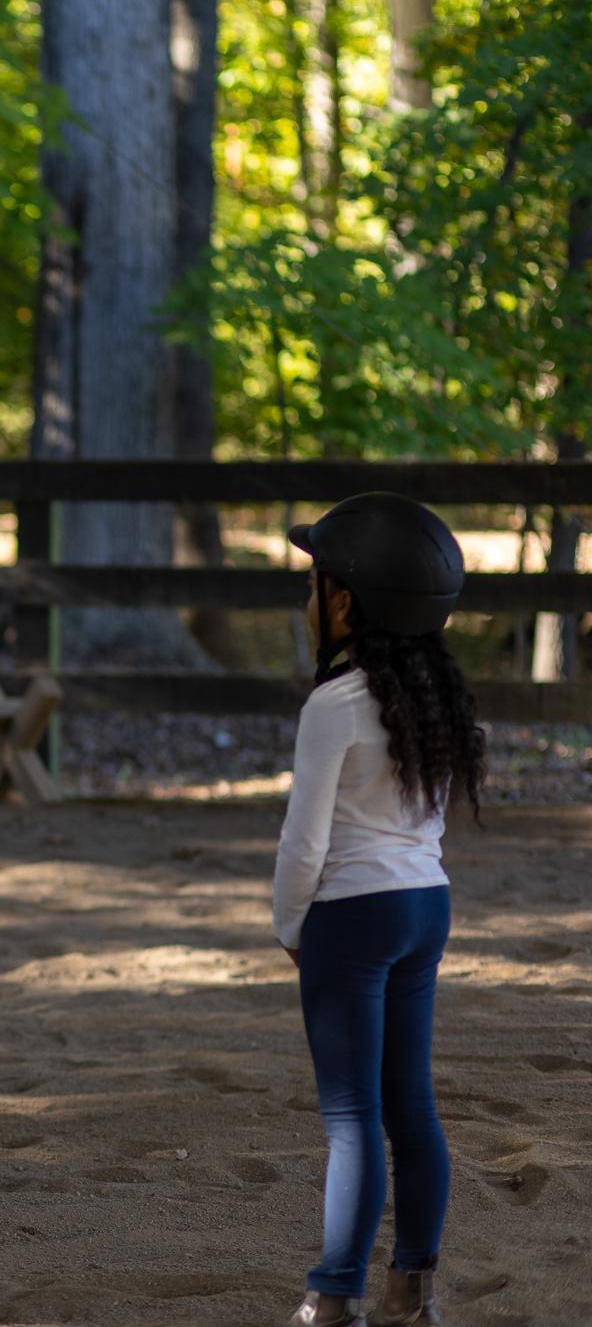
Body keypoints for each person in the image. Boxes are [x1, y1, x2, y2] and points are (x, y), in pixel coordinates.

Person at [275, 492, 486, 1327]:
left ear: (344, 602)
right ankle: (415, 1292)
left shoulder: (332, 707)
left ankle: (333, 1296)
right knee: (413, 1108)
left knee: (352, 1118)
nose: (305, 600)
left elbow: (304, 841)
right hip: (425, 906)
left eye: (314, 582)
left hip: (352, 921)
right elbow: (425, 824)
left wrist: (292, 925)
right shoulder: (439, 702)